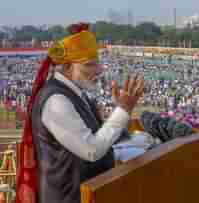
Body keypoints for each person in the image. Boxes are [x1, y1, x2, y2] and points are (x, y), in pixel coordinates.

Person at [16, 23, 144, 203]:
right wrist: (123, 110)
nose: (99, 70)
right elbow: (92, 149)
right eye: (89, 65)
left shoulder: (78, 93)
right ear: (67, 67)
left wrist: (120, 110)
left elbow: (101, 136)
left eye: (97, 63)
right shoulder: (56, 101)